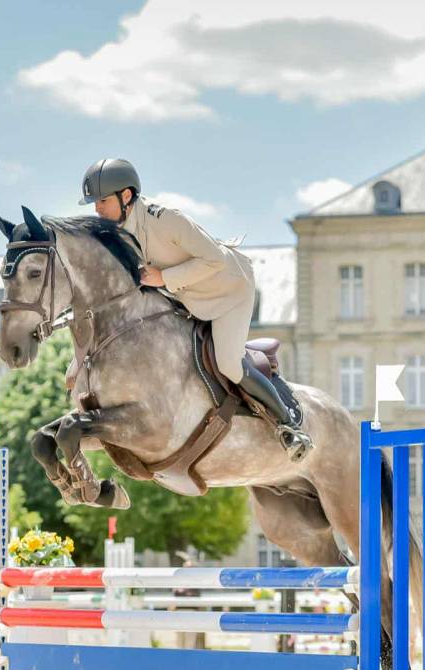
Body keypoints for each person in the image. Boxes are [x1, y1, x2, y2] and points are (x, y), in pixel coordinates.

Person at [79, 158, 313, 461]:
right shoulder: (119, 231)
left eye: (103, 200)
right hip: (187, 296)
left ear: (126, 196)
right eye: (94, 202)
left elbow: (215, 258)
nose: (97, 208)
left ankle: (288, 422)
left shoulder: (165, 220)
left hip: (228, 289)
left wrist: (165, 278)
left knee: (228, 363)